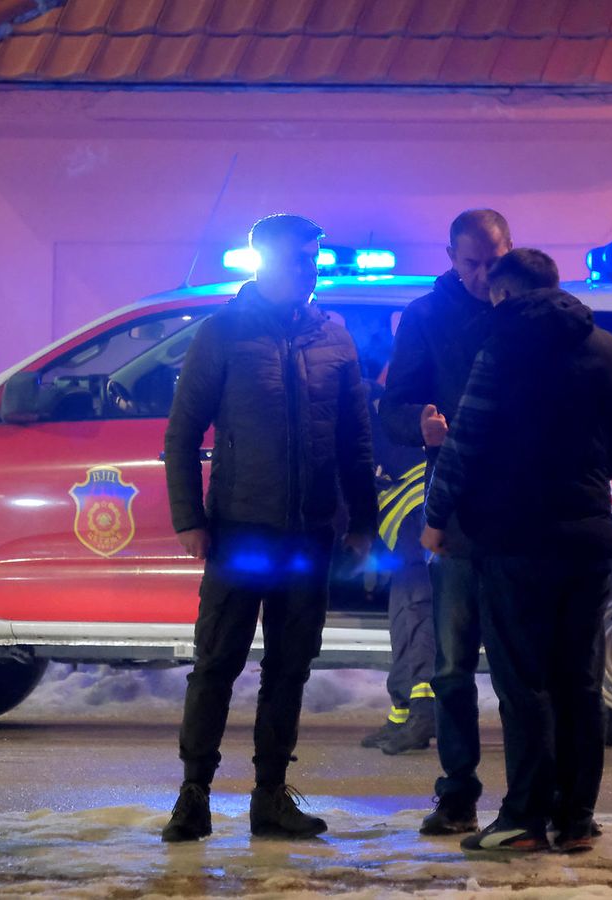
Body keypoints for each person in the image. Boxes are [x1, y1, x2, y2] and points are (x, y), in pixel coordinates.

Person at [161, 213, 378, 842]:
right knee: (217, 664)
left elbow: (354, 442)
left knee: (290, 668)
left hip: (309, 535)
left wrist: (361, 520)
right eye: (297, 259)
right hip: (240, 531)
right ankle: (193, 795)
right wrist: (190, 520)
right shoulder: (222, 334)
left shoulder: (334, 338)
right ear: (265, 262)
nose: (309, 270)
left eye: (314, 259)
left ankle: (270, 797)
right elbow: (181, 435)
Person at [422, 248, 612, 853]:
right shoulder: (609, 348)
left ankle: (522, 817)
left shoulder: (502, 349)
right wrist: (586, 478)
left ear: (507, 294)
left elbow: (466, 442)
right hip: (587, 535)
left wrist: (437, 517)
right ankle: (575, 817)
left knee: (524, 683)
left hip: (515, 537)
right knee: (577, 680)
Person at [375, 211, 511, 832]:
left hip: (521, 509)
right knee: (453, 665)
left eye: (492, 260)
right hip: (454, 510)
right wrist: (420, 427)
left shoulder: (532, 310)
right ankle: (457, 795)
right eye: (470, 263)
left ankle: (531, 800)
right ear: (451, 257)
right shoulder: (427, 317)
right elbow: (393, 406)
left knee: (520, 668)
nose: (482, 275)